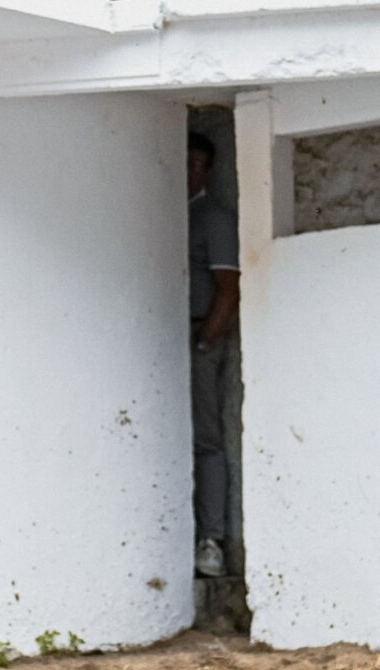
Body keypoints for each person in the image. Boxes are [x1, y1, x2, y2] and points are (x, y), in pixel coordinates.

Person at [187, 132, 240, 578]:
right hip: (162, 339)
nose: (189, 172)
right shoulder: (166, 213)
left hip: (196, 337)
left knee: (205, 439)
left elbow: (229, 288)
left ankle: (212, 539)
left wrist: (206, 341)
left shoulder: (212, 218)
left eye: (197, 165)